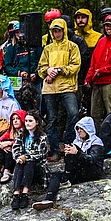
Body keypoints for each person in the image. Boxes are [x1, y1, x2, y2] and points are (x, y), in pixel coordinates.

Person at [34, 116, 106, 210]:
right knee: (56, 175)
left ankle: (66, 178)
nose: (79, 131)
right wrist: (68, 153)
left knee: (73, 152)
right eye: (78, 128)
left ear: (88, 129)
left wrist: (77, 152)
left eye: (82, 128)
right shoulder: (76, 142)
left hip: (92, 172)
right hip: (79, 171)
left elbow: (92, 160)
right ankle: (48, 199)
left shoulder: (96, 142)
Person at [37, 18, 82, 159]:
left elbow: (76, 66)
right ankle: (55, 150)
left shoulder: (72, 46)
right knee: (51, 119)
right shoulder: (47, 48)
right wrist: (47, 70)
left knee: (73, 114)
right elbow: (40, 68)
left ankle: (68, 145)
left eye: (58, 31)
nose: (56, 34)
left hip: (67, 86)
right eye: (54, 31)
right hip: (50, 88)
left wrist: (59, 70)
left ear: (63, 31)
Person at [10, 111, 49, 211]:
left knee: (29, 163)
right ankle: (16, 193)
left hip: (38, 167)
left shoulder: (42, 137)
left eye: (30, 121)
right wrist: (19, 157)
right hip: (23, 162)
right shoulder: (22, 133)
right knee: (19, 163)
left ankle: (25, 193)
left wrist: (25, 157)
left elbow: (40, 155)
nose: (27, 123)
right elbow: (16, 147)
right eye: (26, 121)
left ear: (37, 122)